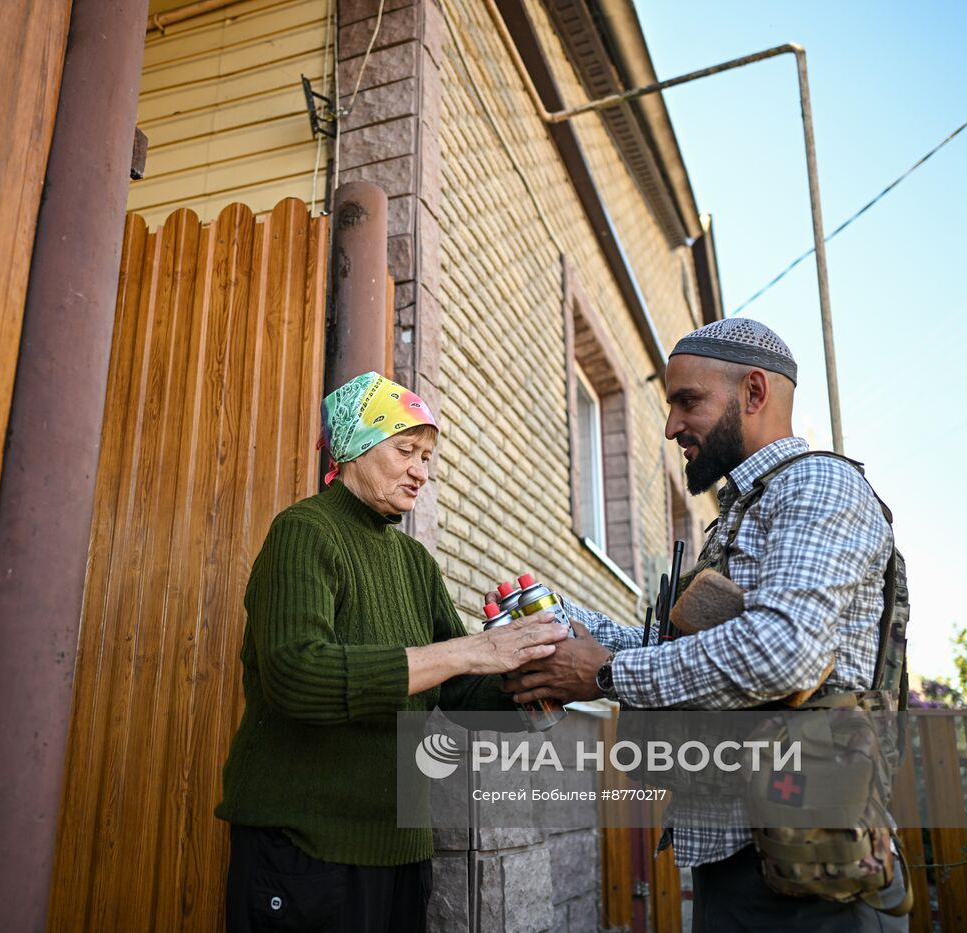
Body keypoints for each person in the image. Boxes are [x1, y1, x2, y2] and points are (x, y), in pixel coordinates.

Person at [503, 319, 909, 931]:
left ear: (753, 393)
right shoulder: (742, 512)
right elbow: (695, 654)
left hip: (815, 873)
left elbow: (782, 652)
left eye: (687, 401)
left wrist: (607, 673)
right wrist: (562, 623)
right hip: (737, 862)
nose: (670, 426)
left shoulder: (817, 485)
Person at [215, 371, 566, 933]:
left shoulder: (413, 561)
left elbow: (455, 689)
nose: (421, 472)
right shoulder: (305, 531)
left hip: (402, 852)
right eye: (406, 450)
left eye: (427, 458)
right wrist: (467, 651)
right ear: (355, 446)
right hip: (306, 850)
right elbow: (296, 675)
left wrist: (538, 679)